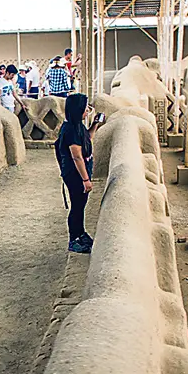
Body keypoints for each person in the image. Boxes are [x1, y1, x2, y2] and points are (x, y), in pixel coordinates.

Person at [54, 93, 102, 254]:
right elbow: (76, 156)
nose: (87, 111)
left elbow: (87, 138)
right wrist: (85, 179)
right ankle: (74, 239)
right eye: (85, 108)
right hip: (75, 175)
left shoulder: (76, 125)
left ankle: (80, 233)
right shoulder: (70, 130)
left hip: (79, 173)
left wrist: (95, 124)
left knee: (80, 205)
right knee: (76, 206)